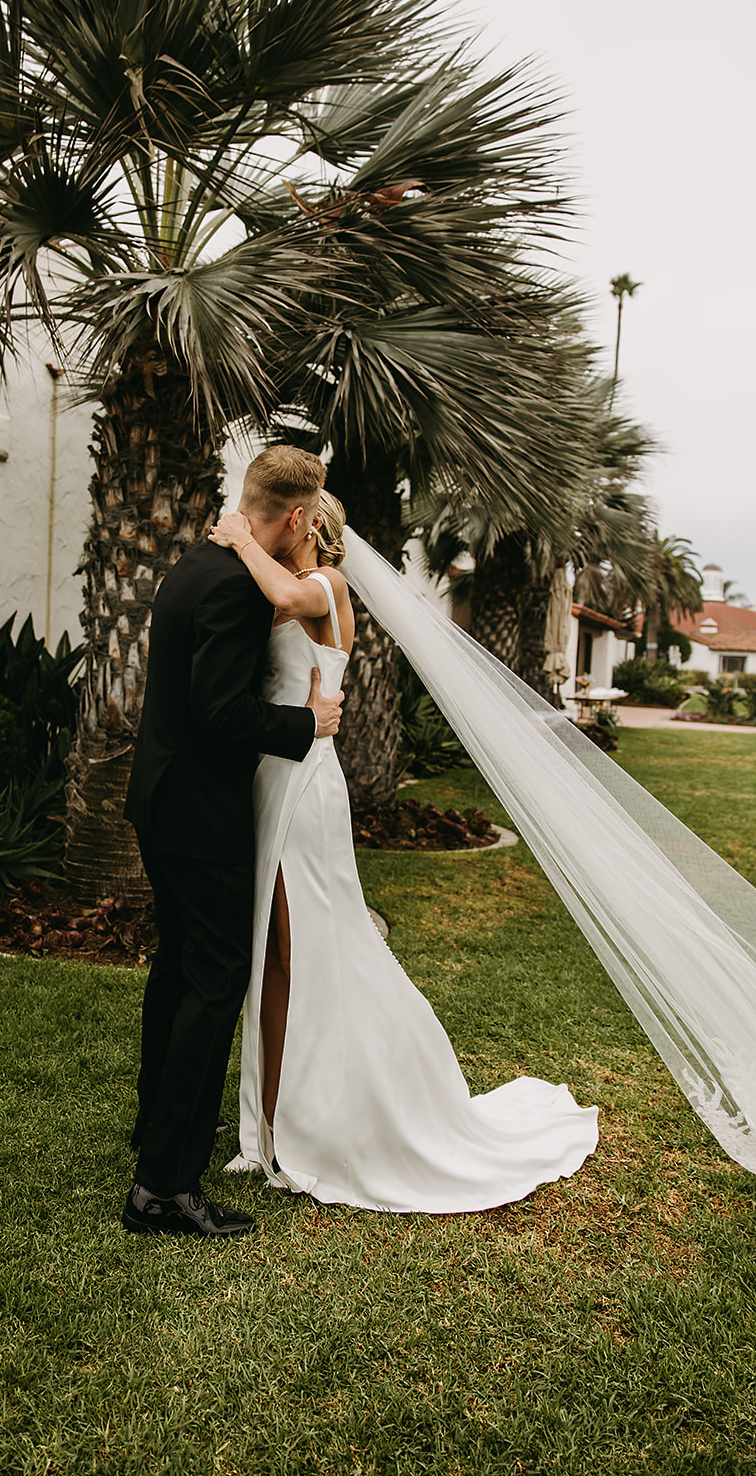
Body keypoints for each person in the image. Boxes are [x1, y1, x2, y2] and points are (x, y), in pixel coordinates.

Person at [210, 494, 599, 1213]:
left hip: (302, 786)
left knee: (297, 948)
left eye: (281, 518)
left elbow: (283, 591)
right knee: (275, 950)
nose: (265, 526)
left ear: (308, 525)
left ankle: (301, 1121)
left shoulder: (326, 586)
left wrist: (237, 538)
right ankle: (268, 1120)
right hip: (273, 773)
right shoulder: (281, 589)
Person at [121, 447, 344, 1237]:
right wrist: (303, 724)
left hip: (161, 797)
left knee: (178, 968)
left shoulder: (192, 566)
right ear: (295, 517)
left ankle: (158, 1129)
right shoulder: (237, 588)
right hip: (201, 813)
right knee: (215, 982)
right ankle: (163, 1188)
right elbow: (220, 713)